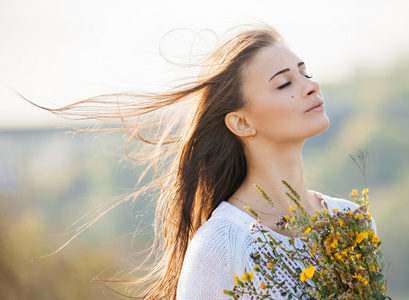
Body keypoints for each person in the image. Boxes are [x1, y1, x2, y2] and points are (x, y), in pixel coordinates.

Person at [31, 24, 375, 299]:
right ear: (242, 122)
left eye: (305, 73)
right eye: (285, 83)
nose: (311, 86)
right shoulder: (221, 246)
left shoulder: (352, 221)